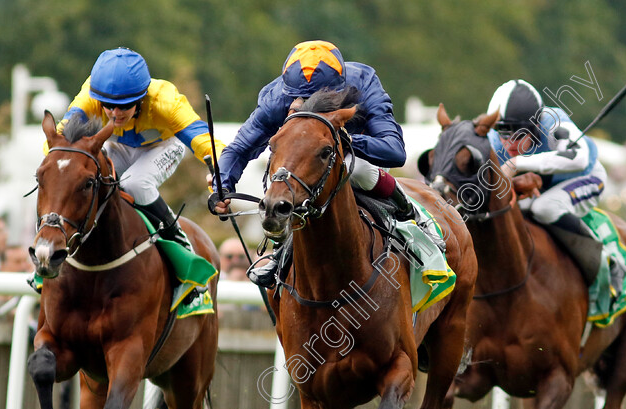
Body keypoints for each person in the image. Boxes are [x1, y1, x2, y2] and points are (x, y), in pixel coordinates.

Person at [210, 40, 410, 287]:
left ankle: (409, 216)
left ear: (338, 89)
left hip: (355, 160)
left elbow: (394, 151)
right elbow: (240, 147)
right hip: (307, 170)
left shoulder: (364, 84)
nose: (306, 103)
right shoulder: (277, 98)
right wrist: (222, 184)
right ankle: (280, 249)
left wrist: (339, 140)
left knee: (354, 168)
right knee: (282, 170)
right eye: (300, 98)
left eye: (316, 99)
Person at [50, 47, 226, 250]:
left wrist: (223, 179)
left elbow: (207, 143)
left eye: (124, 106)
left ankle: (178, 239)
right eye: (108, 105)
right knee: (86, 178)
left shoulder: (166, 101)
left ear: (141, 98)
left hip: (162, 147)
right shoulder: (90, 95)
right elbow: (58, 140)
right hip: (117, 146)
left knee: (135, 184)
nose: (115, 113)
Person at [486, 79, 625, 293]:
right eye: (502, 132)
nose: (509, 142)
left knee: (544, 208)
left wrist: (517, 163)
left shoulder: (553, 122)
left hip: (586, 178)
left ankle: (608, 258)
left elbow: (579, 158)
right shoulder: (492, 140)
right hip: (544, 189)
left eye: (517, 133)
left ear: (535, 127)